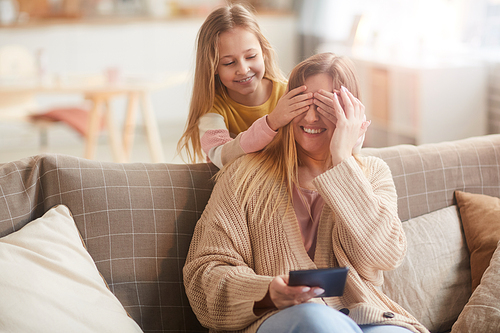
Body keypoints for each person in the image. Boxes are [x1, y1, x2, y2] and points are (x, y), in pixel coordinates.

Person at [183, 52, 429, 333]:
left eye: (325, 105)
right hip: (281, 317)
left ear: (351, 112)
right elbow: (204, 273)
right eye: (303, 103)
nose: (311, 116)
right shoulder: (244, 175)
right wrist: (266, 292)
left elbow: (386, 255)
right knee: (315, 319)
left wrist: (341, 158)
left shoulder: (373, 173)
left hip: (363, 317)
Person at [176, 3, 322, 168]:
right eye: (229, 63)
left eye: (251, 56)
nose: (243, 70)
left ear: (264, 53)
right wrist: (271, 123)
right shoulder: (211, 109)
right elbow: (220, 155)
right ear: (213, 67)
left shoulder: (288, 94)